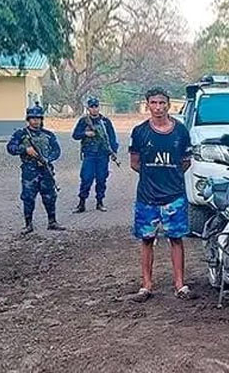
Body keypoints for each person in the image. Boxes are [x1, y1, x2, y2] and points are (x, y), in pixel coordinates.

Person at [128, 87, 195, 302]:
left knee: (176, 239)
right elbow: (135, 163)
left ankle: (179, 284)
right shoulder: (139, 132)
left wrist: (169, 177)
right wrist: (153, 177)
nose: (158, 107)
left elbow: (185, 162)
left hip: (174, 196)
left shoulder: (181, 131)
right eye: (154, 103)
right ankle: (146, 285)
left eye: (162, 103)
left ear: (169, 105)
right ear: (147, 105)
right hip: (147, 197)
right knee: (147, 239)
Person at [6, 103, 64, 235]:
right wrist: (25, 149)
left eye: (38, 118)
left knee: (50, 197)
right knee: (28, 198)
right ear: (28, 119)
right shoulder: (21, 134)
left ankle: (52, 222)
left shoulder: (49, 135)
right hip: (29, 172)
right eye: (33, 118)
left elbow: (57, 151)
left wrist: (48, 159)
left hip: (46, 171)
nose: (36, 120)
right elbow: (10, 148)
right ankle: (28, 224)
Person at [72, 97, 119, 213]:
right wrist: (85, 133)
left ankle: (100, 202)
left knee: (101, 179)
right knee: (86, 178)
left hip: (103, 155)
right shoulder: (84, 121)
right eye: (92, 107)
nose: (94, 109)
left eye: (96, 106)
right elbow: (75, 135)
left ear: (99, 107)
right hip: (89, 154)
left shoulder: (105, 122)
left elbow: (112, 138)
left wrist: (113, 151)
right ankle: (81, 203)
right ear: (88, 108)